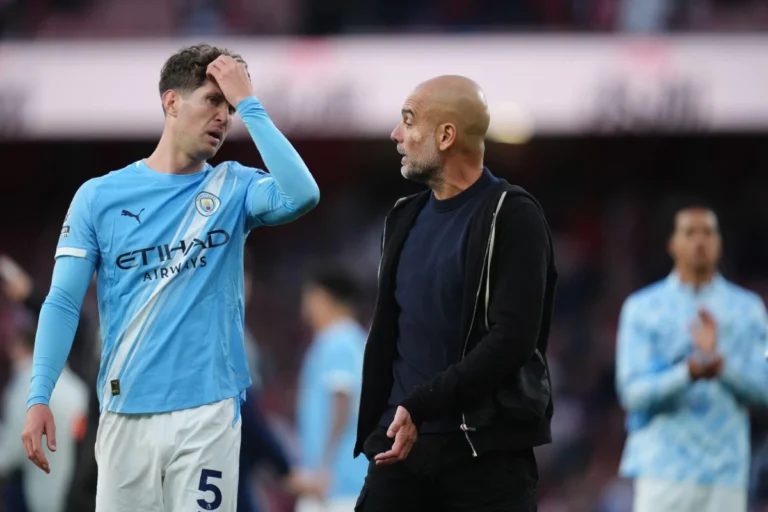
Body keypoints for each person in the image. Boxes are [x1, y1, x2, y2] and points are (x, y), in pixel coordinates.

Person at [20, 43, 320, 512]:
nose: (224, 116)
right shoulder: (99, 197)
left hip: (208, 411)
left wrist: (252, 105)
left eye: (230, 105)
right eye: (213, 100)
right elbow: (62, 302)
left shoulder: (234, 187)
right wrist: (39, 395)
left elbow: (302, 195)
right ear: (172, 102)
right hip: (124, 413)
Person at [354, 75, 558, 511]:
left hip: (483, 459)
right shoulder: (403, 216)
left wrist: (424, 403)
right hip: (399, 448)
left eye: (408, 122)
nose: (395, 135)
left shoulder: (513, 214)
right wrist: (383, 423)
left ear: (446, 135)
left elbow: (513, 339)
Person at [616, 204, 768, 512]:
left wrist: (722, 366)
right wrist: (688, 373)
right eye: (689, 232)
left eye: (708, 232)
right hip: (662, 470)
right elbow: (631, 394)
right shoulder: (642, 309)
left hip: (725, 473)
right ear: (672, 244)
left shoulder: (748, 310)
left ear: (720, 243)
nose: (700, 241)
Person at [295, 269, 369, 512]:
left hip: (336, 480)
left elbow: (342, 403)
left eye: (309, 297)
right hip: (346, 477)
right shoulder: (354, 338)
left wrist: (323, 466)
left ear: (323, 298)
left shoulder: (338, 340)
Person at [0, 312, 89, 512]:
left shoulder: (24, 385)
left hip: (37, 493)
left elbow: (12, 450)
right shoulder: (77, 387)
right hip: (76, 493)